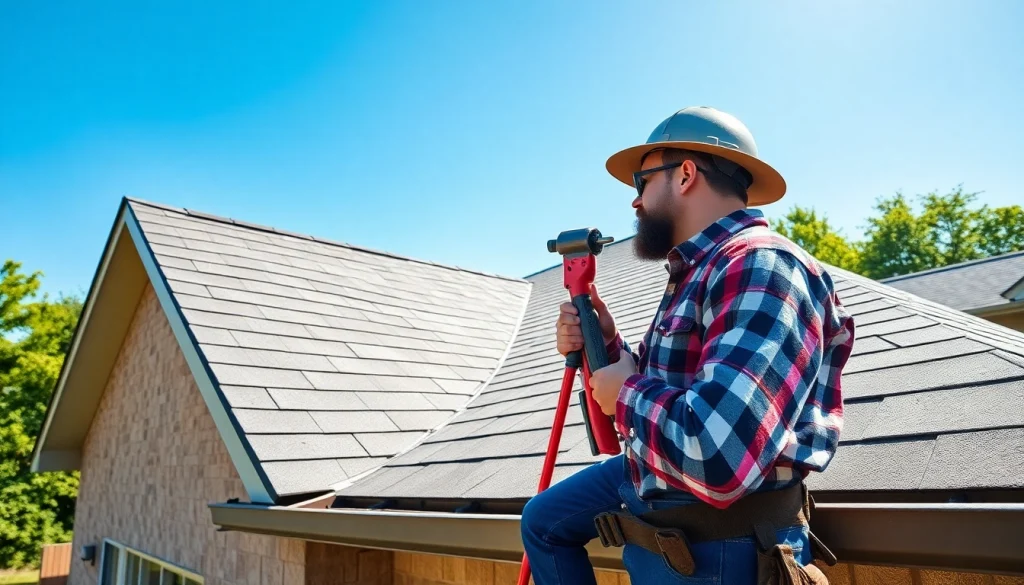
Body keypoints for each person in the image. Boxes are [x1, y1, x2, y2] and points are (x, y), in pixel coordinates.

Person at [520, 106, 855, 585]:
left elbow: (718, 452)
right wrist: (607, 343)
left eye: (641, 182)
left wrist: (627, 394)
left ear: (685, 175)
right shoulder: (703, 269)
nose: (634, 203)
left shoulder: (760, 267)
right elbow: (669, 383)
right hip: (668, 506)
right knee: (544, 522)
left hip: (718, 546)